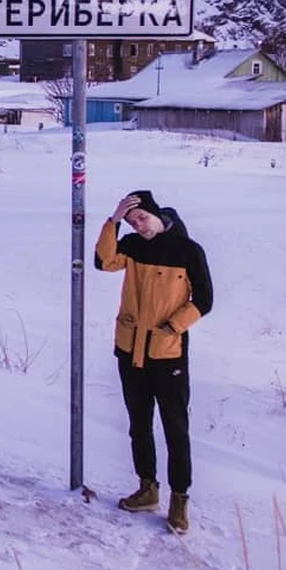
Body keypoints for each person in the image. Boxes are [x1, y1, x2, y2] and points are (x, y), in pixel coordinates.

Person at [94, 190, 214, 534]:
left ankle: (179, 500)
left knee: (175, 429)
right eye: (132, 222)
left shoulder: (188, 251)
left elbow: (204, 299)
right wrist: (114, 221)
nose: (139, 226)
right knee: (139, 423)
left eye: (141, 218)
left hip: (167, 354)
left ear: (155, 213)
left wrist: (172, 327)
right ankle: (147, 488)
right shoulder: (131, 246)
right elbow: (103, 261)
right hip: (131, 351)